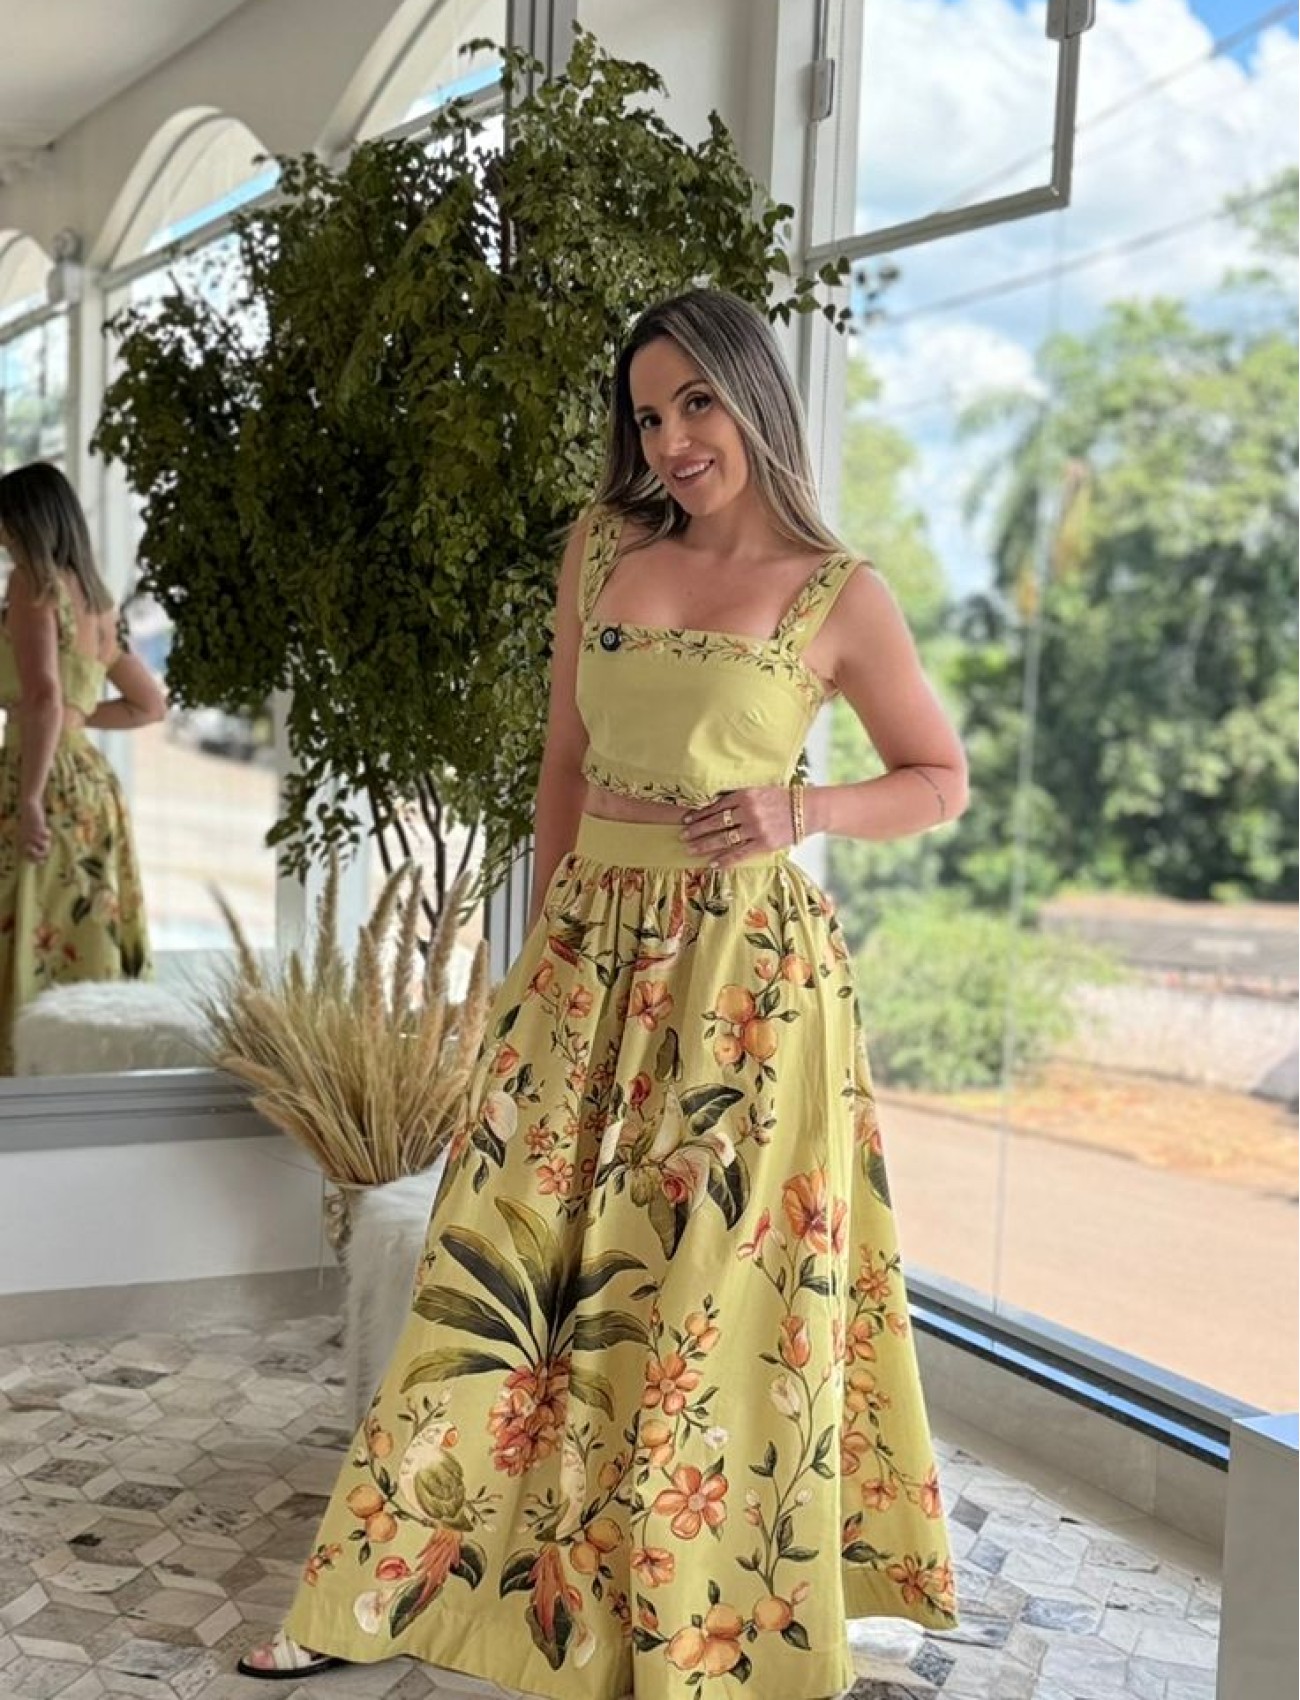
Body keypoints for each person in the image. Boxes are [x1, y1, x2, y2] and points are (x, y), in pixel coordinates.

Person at [239, 288, 967, 1697]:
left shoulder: (838, 592)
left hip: (747, 987)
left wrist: (804, 808)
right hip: (588, 951)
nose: (673, 439)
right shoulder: (604, 549)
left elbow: (939, 779)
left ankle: (688, 1621)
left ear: (755, 398)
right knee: (494, 1264)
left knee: (703, 1294)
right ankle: (371, 1594)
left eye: (697, 403)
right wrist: (539, 959)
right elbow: (564, 766)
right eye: (648, 414)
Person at [0, 462, 165, 1072]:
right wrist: (74, 717)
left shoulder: (31, 585)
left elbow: (43, 696)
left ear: (25, 520)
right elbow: (148, 706)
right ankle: (81, 1075)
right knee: (83, 927)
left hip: (38, 777)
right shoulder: (96, 601)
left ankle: (18, 1077)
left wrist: (30, 798)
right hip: (91, 787)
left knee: (29, 918)